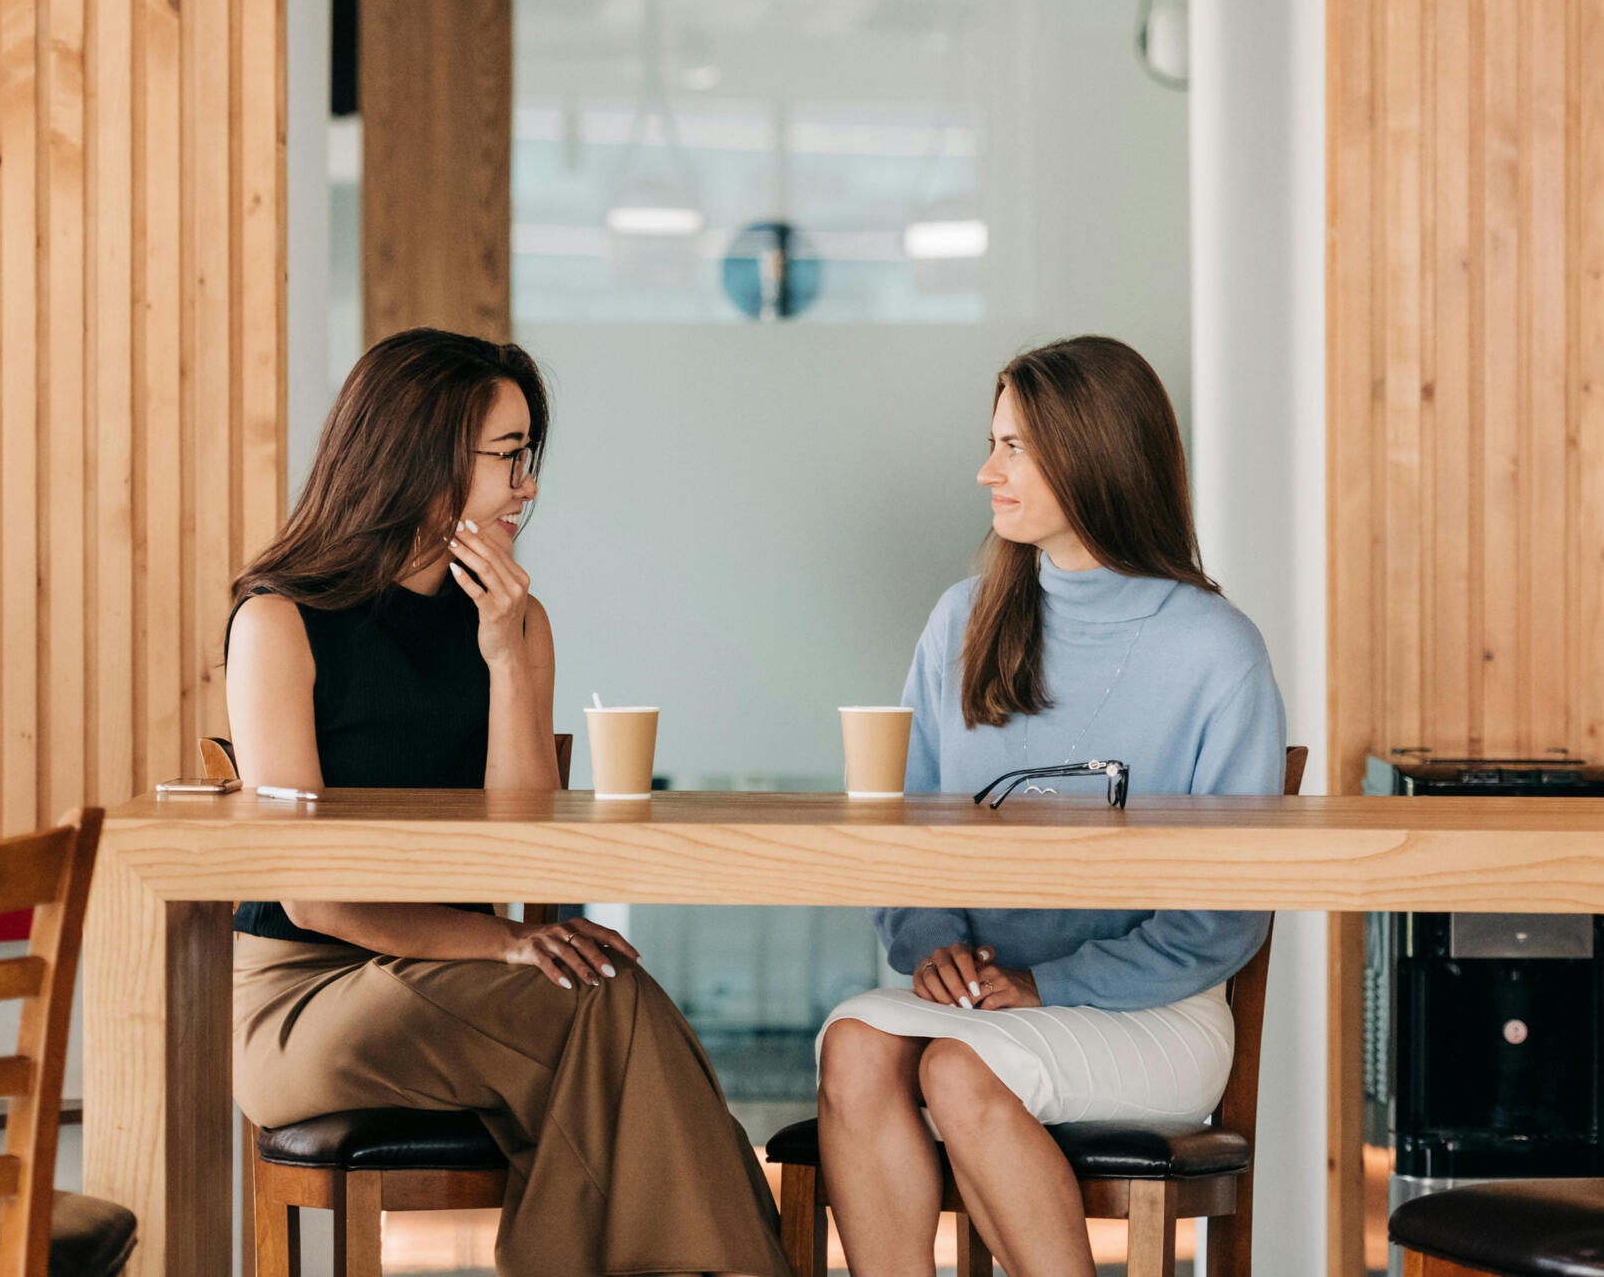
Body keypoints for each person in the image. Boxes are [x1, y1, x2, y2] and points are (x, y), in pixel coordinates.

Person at [225, 327, 787, 1277]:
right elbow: (314, 898)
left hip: (471, 984)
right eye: (508, 457)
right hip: (304, 996)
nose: (527, 485)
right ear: (422, 452)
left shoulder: (516, 621)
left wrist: (507, 658)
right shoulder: (279, 620)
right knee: (608, 1013)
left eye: (531, 458)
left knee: (605, 1022)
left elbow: (525, 860)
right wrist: (502, 941)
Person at [816, 335, 1286, 1277]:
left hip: (1159, 1013)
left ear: (1094, 453)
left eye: (1015, 448)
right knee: (855, 1042)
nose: (986, 470)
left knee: (958, 1067)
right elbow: (912, 829)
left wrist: (1048, 986)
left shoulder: (1216, 648)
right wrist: (932, 944)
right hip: (987, 999)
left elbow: (1227, 910)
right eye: (993, 442)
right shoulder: (963, 619)